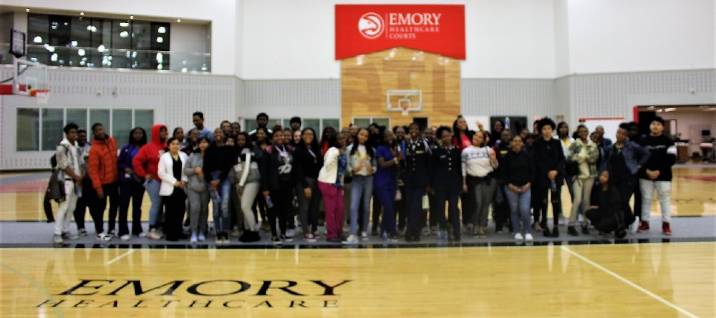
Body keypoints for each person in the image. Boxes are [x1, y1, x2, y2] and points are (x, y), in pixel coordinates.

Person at [602, 123, 649, 229]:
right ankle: (628, 220)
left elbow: (646, 153)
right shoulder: (610, 148)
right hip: (614, 178)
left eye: (623, 134)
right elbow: (606, 161)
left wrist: (638, 165)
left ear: (626, 135)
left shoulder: (632, 145)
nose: (620, 135)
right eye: (619, 133)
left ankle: (627, 222)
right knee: (616, 201)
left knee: (623, 200)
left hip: (628, 178)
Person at [638, 117, 676, 235]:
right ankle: (644, 222)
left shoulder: (669, 141)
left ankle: (666, 224)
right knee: (646, 199)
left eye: (658, 124)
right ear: (650, 126)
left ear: (662, 127)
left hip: (664, 176)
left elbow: (672, 159)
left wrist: (659, 171)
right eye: (653, 123)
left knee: (664, 199)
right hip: (645, 176)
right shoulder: (642, 141)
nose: (655, 126)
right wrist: (646, 171)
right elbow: (638, 158)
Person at [133, 124, 168, 240]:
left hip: (166, 181)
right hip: (154, 181)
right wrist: (144, 174)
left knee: (163, 204)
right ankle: (152, 228)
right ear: (156, 133)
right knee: (156, 203)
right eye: (161, 131)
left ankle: (159, 226)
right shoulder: (147, 147)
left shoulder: (167, 146)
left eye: (165, 131)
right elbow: (136, 161)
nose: (164, 133)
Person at [532, 117, 565, 237]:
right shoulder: (537, 143)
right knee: (543, 201)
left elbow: (561, 159)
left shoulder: (557, 143)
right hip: (542, 177)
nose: (547, 131)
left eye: (549, 128)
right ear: (541, 130)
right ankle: (544, 223)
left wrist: (555, 171)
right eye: (544, 129)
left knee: (555, 201)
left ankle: (555, 225)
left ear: (552, 130)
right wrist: (547, 172)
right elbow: (537, 161)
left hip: (556, 177)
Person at [461, 130, 498, 237]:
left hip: (488, 180)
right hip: (473, 180)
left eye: (480, 136)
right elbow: (463, 168)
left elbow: (495, 166)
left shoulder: (488, 149)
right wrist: (464, 183)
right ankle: (475, 225)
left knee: (486, 205)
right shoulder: (466, 151)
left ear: (483, 139)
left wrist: (493, 159)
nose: (476, 137)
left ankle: (482, 227)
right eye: (475, 135)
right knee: (477, 204)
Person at [344, 128, 377, 244]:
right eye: (361, 134)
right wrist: (352, 170)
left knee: (366, 206)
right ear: (357, 135)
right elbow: (346, 166)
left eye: (366, 136)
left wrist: (372, 169)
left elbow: (375, 166)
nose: (363, 137)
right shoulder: (349, 149)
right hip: (356, 179)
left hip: (368, 179)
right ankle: (353, 233)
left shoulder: (372, 150)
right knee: (353, 206)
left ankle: (363, 230)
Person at [52, 123, 84, 243]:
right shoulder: (62, 147)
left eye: (76, 132)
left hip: (76, 181)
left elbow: (79, 164)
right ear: (66, 133)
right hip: (66, 181)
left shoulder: (75, 145)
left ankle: (65, 230)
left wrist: (80, 177)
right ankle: (57, 232)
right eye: (72, 132)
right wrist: (76, 177)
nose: (75, 135)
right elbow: (64, 165)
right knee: (63, 207)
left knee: (72, 207)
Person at [87, 123, 119, 241]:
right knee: (100, 208)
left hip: (114, 182)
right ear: (94, 133)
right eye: (97, 130)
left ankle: (111, 228)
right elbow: (93, 170)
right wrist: (98, 187)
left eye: (101, 129)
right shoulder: (94, 149)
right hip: (102, 184)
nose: (100, 131)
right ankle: (99, 231)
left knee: (114, 206)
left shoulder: (111, 141)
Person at [263, 129, 295, 243]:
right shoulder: (268, 151)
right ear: (272, 138)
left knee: (284, 211)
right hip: (273, 186)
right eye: (277, 136)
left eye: (281, 135)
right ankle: (273, 234)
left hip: (287, 185)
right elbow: (264, 171)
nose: (280, 137)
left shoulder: (290, 150)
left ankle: (282, 233)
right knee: (272, 211)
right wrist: (265, 188)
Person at [203, 128, 236, 243]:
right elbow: (205, 167)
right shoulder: (209, 149)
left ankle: (225, 231)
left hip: (225, 178)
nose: (218, 134)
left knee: (225, 205)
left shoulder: (229, 149)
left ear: (224, 135)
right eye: (216, 132)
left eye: (220, 132)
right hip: (211, 179)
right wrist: (211, 180)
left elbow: (228, 166)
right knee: (216, 206)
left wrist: (219, 180)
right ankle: (218, 232)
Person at [430, 126, 462, 241]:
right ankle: (443, 229)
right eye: (443, 136)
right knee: (440, 208)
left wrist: (462, 183)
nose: (446, 138)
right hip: (440, 185)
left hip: (454, 184)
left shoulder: (457, 150)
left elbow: (460, 169)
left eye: (448, 135)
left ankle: (456, 231)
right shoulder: (436, 151)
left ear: (451, 136)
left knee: (454, 208)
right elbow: (432, 170)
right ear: (440, 138)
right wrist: (431, 185)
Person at [567, 125, 599, 236]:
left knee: (586, 201)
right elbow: (569, 157)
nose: (584, 133)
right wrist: (582, 156)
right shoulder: (574, 144)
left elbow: (594, 158)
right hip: (578, 177)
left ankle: (585, 224)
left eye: (585, 131)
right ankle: (571, 224)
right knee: (577, 200)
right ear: (578, 133)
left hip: (590, 176)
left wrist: (582, 156)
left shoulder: (593, 144)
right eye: (581, 131)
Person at [233, 135, 266, 243]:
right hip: (241, 182)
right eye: (239, 139)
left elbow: (247, 168)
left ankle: (253, 231)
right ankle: (247, 231)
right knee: (246, 208)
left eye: (243, 139)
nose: (240, 141)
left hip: (251, 181)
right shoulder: (238, 151)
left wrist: (241, 184)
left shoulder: (247, 150)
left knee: (245, 206)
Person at [502, 135, 534, 242]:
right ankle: (516, 231)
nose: (517, 143)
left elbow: (532, 172)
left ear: (522, 143)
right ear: (511, 143)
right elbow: (504, 174)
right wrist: (511, 186)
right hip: (511, 188)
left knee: (525, 209)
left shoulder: (527, 156)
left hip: (526, 187)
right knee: (514, 209)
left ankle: (528, 231)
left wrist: (528, 184)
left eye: (519, 141)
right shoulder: (507, 157)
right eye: (514, 141)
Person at [403, 123, 432, 242]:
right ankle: (412, 231)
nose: (413, 131)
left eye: (416, 129)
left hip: (420, 181)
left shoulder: (424, 143)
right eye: (411, 129)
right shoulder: (406, 144)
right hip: (409, 181)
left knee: (417, 207)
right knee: (409, 207)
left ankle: (414, 232)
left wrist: (428, 182)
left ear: (419, 131)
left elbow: (428, 164)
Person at [293, 128, 323, 242]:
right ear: (302, 136)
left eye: (311, 133)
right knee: (304, 207)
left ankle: (314, 229)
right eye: (305, 134)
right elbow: (297, 169)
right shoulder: (298, 150)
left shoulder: (316, 149)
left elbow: (320, 165)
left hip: (317, 181)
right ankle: (306, 231)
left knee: (315, 207)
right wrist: (305, 186)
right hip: (304, 181)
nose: (308, 136)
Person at [318, 132, 348, 243]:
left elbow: (342, 170)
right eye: (340, 138)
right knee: (331, 210)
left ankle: (339, 232)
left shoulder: (344, 152)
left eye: (344, 138)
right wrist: (336, 153)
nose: (342, 140)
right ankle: (331, 235)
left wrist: (342, 185)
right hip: (327, 182)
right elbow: (327, 164)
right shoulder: (332, 150)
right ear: (335, 140)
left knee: (340, 210)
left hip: (338, 184)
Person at [117, 127, 147, 240]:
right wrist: (126, 169)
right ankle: (123, 231)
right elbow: (119, 163)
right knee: (124, 206)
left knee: (137, 206)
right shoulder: (126, 148)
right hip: (126, 181)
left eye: (140, 133)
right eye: (136, 133)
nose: (138, 135)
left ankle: (137, 229)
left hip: (139, 181)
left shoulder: (145, 148)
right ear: (132, 135)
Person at [158, 137, 188, 241]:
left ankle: (179, 232)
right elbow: (161, 173)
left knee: (180, 211)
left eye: (177, 143)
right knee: (170, 213)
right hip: (169, 188)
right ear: (168, 145)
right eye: (173, 144)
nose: (175, 146)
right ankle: (171, 234)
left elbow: (186, 170)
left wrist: (183, 180)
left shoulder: (184, 155)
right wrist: (174, 182)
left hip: (181, 188)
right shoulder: (164, 157)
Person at [586, 170, 628, 238]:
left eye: (605, 176)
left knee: (603, 223)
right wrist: (595, 207)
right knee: (589, 213)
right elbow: (595, 202)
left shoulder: (613, 189)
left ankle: (610, 228)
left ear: (609, 178)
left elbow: (615, 206)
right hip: (603, 211)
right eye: (601, 175)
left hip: (612, 214)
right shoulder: (598, 188)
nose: (602, 177)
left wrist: (599, 207)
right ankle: (604, 228)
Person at [184, 137, 210, 243]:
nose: (203, 144)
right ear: (198, 144)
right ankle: (193, 232)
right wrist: (195, 170)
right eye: (201, 142)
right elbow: (185, 170)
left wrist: (204, 173)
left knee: (204, 210)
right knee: (195, 209)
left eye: (205, 142)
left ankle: (202, 232)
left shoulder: (211, 156)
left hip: (206, 188)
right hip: (193, 187)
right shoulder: (192, 156)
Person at [451, 115, 475, 231]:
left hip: (471, 170)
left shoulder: (471, 135)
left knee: (469, 197)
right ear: (456, 125)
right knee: (458, 197)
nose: (463, 123)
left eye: (464, 121)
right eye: (460, 122)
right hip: (457, 170)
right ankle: (456, 221)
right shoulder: (454, 137)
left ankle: (468, 221)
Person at [493, 129, 513, 233]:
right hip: (500, 181)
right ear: (501, 136)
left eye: (507, 135)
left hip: (511, 181)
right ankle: (498, 226)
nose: (506, 137)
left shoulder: (514, 147)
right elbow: (495, 165)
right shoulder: (496, 148)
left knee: (510, 204)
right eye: (503, 135)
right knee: (499, 204)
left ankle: (511, 225)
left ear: (511, 136)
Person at [73, 129, 91, 236]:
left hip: (89, 181)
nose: (83, 138)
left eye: (84, 136)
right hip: (76, 181)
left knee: (94, 206)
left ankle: (99, 227)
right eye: (80, 136)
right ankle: (81, 227)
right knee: (79, 206)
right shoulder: (71, 148)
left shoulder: (91, 147)